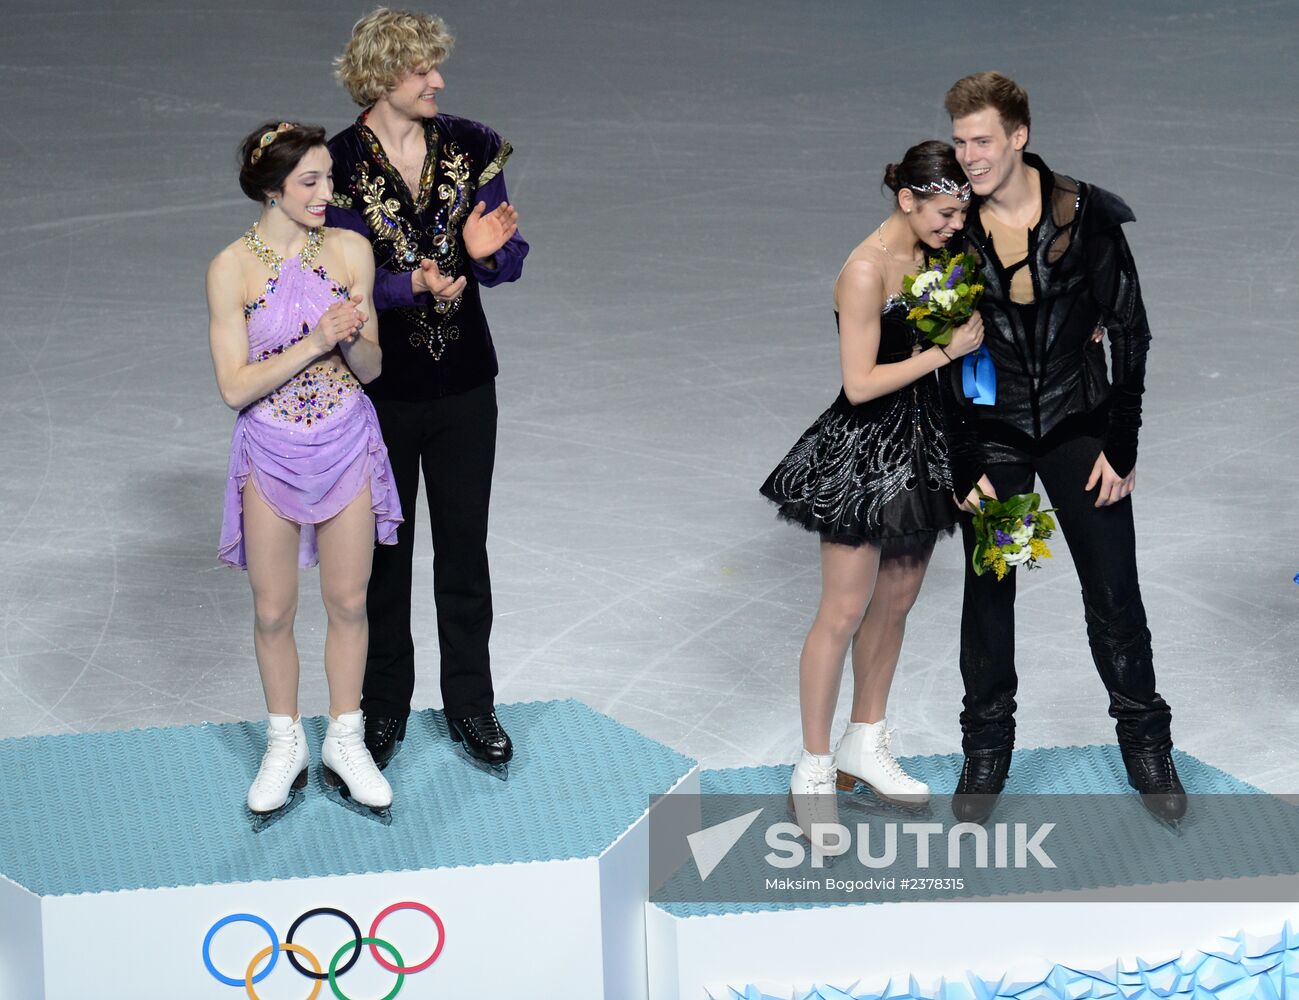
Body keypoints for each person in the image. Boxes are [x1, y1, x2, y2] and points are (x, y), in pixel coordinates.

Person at [940, 72, 1184, 823]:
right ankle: (986, 749)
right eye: (960, 141)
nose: (969, 156)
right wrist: (963, 457)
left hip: (1080, 430)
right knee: (991, 595)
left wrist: (1122, 441)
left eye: (982, 140)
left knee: (1114, 593)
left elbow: (1130, 329)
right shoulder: (952, 225)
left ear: (1019, 136)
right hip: (997, 439)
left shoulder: (1086, 216)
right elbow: (938, 349)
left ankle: (1145, 742)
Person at [325, 8, 529, 773]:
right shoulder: (339, 163)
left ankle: (471, 703)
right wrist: (408, 285)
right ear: (382, 76)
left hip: (466, 382)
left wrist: (486, 255)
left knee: (463, 550)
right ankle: (383, 706)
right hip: (378, 390)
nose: (437, 80)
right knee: (384, 554)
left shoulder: (472, 145)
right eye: (421, 70)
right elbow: (336, 282)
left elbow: (508, 255)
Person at [760, 141, 985, 833]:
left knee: (896, 604)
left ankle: (865, 739)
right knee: (843, 612)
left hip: (924, 448)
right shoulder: (864, 271)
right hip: (863, 453)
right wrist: (944, 351)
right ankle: (813, 768)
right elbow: (859, 384)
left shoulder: (941, 255)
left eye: (962, 213)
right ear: (907, 200)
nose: (956, 225)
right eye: (945, 213)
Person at [208, 121, 402, 818]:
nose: (327, 193)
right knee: (273, 610)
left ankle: (344, 740)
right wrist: (317, 339)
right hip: (270, 449)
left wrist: (352, 339)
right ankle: (284, 741)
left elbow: (371, 368)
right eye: (310, 182)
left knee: (349, 602)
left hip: (345, 439)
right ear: (272, 189)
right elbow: (234, 387)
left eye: (329, 179)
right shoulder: (231, 268)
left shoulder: (350, 251)